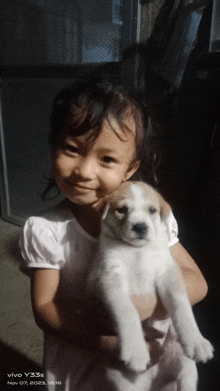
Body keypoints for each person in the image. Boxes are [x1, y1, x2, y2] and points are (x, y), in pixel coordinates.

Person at [19, 80, 208, 391]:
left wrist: (146, 304)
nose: (84, 171)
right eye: (72, 149)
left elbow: (196, 282)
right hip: (87, 356)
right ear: (53, 144)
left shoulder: (150, 219)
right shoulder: (47, 231)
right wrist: (105, 342)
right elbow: (44, 307)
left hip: (156, 356)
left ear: (129, 168)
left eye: (106, 159)